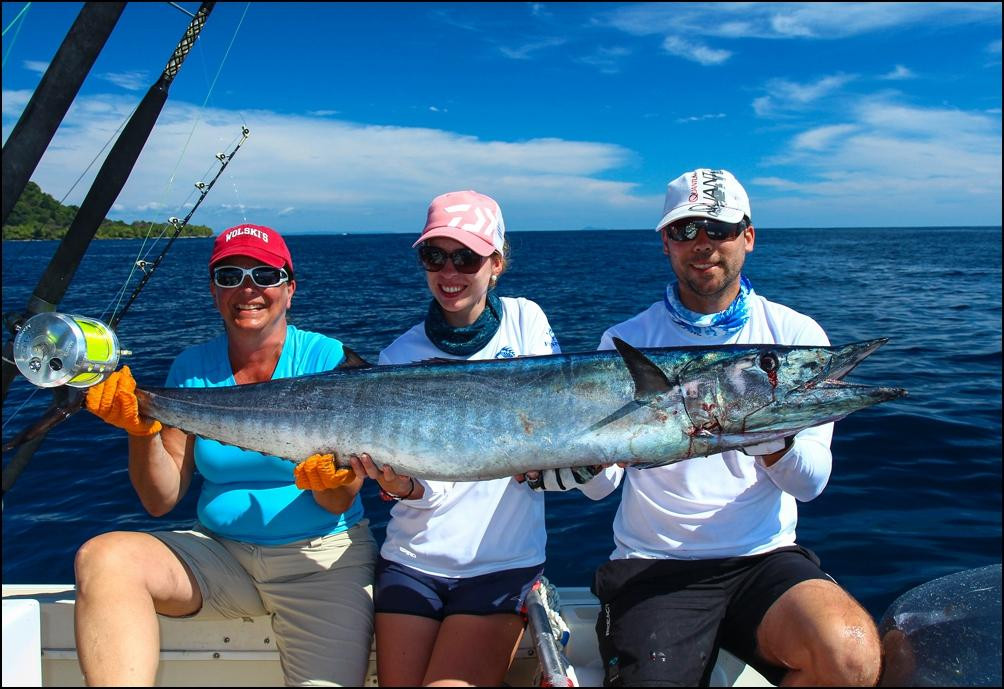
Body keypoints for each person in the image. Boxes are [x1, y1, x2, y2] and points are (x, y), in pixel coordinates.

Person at [539, 169, 882, 686]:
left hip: (763, 560)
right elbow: (602, 487)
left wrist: (768, 441)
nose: (702, 245)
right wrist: (579, 466)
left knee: (851, 655)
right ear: (665, 243)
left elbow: (810, 484)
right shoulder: (625, 341)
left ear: (748, 235)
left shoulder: (795, 336)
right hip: (654, 565)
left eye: (717, 229)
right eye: (684, 231)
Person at [74, 224, 376, 686]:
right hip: (220, 557)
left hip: (320, 564)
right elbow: (161, 500)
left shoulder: (330, 360)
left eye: (265, 274)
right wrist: (140, 430)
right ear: (215, 291)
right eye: (230, 275)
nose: (248, 288)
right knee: (105, 557)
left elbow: (339, 502)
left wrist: (336, 483)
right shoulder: (191, 367)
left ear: (290, 289)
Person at [350, 190, 562, 686]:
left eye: (466, 257)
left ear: (497, 263)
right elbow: (427, 484)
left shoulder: (527, 322)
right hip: (409, 562)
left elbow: (557, 433)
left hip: (501, 567)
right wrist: (401, 487)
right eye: (435, 255)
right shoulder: (398, 356)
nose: (449, 272)